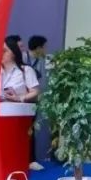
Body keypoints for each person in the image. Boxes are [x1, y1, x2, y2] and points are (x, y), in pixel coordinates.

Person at [27, 35, 52, 170]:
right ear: (38, 48)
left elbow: (41, 83)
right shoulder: (23, 58)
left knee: (31, 130)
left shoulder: (41, 62)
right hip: (21, 100)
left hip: (34, 100)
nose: (45, 50)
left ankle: (31, 160)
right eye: (44, 47)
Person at [0, 35, 39, 104]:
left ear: (14, 52)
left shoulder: (26, 70)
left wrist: (19, 98)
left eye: (4, 51)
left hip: (19, 109)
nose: (0, 54)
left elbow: (35, 93)